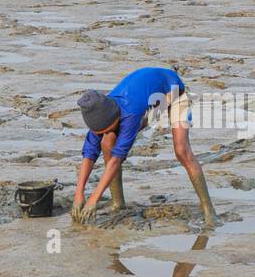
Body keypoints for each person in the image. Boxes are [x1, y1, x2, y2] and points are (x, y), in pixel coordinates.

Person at [71, 66, 218, 228]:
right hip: (146, 97)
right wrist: (79, 194)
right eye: (101, 131)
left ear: (117, 119)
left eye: (110, 128)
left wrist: (93, 199)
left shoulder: (130, 115)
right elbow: (89, 155)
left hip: (173, 91)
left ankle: (209, 210)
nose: (107, 132)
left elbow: (116, 159)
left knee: (181, 150)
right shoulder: (97, 112)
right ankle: (118, 203)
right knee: (107, 142)